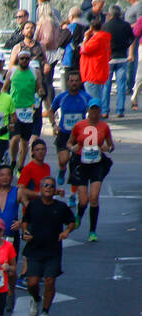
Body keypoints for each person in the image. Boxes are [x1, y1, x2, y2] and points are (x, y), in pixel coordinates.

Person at [21, 177, 76, 316]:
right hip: (35, 249)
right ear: (40, 188)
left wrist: (66, 231)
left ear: (54, 190)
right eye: (45, 185)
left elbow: (72, 221)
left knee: (50, 281)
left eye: (51, 186)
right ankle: (35, 298)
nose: (48, 188)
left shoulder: (61, 207)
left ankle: (45, 311)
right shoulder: (34, 205)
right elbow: (25, 221)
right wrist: (25, 232)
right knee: (32, 283)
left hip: (53, 250)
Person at [67, 100, 113, 241]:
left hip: (96, 164)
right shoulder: (79, 126)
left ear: (100, 111)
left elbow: (111, 145)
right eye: (92, 110)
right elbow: (69, 142)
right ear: (88, 110)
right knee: (83, 200)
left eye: (97, 110)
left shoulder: (104, 127)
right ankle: (79, 215)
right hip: (81, 163)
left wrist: (107, 148)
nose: (94, 113)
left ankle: (92, 231)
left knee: (94, 197)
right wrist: (72, 148)